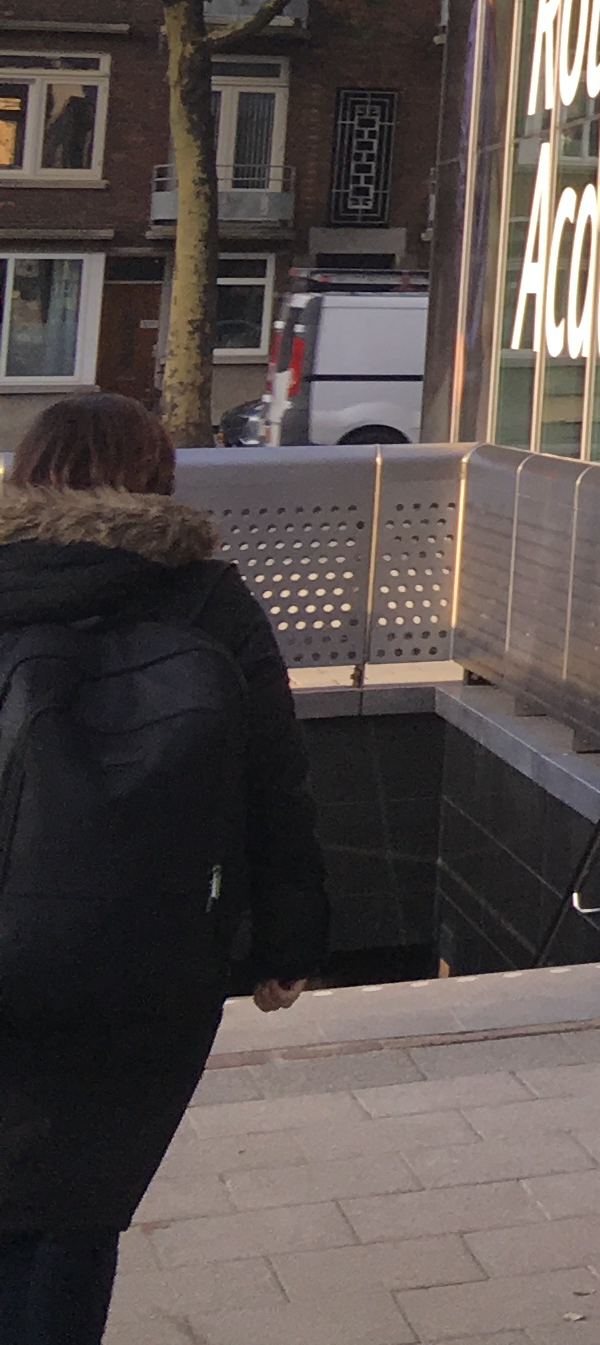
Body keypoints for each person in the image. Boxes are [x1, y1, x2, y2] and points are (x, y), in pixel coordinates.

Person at [0, 392, 326, 1345]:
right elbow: (275, 781)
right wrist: (288, 942)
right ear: (157, 477)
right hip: (151, 957)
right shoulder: (209, 598)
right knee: (81, 1200)